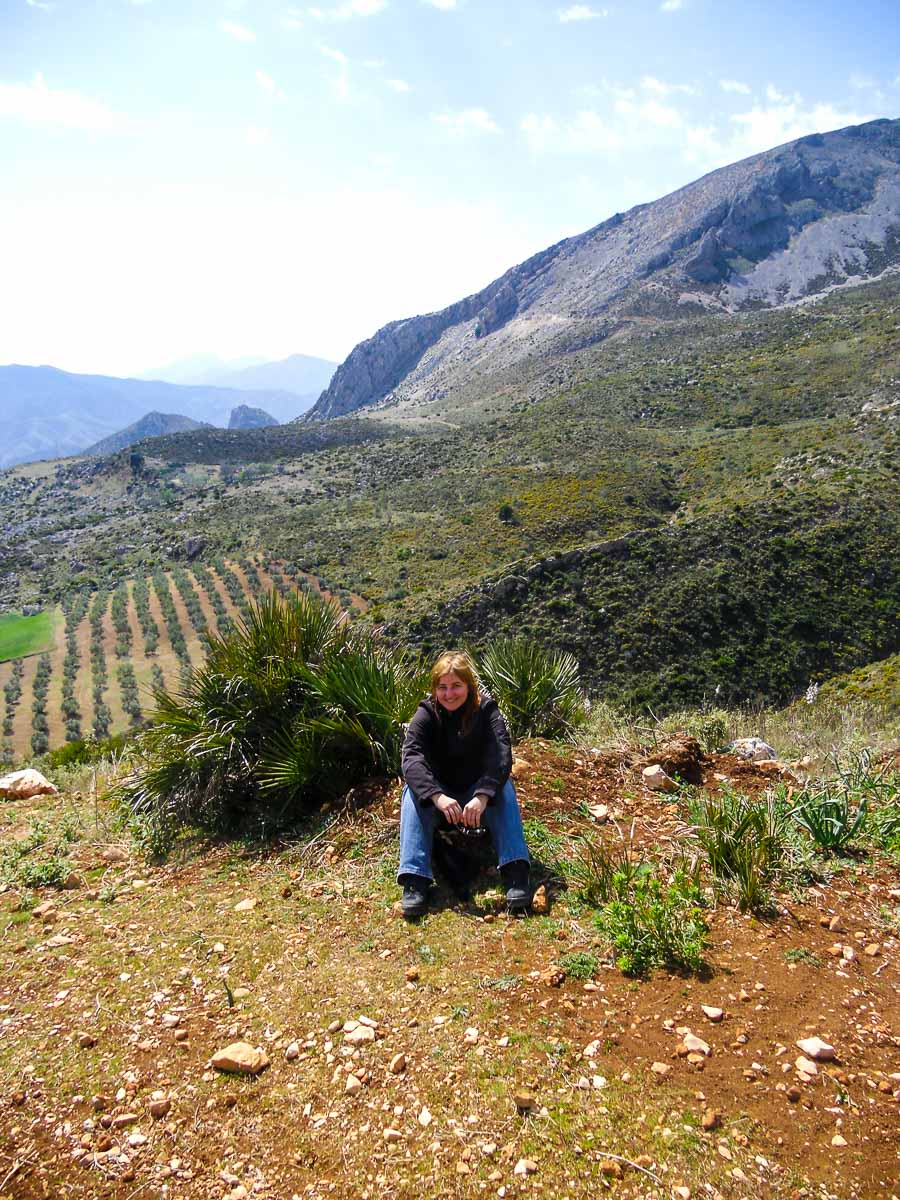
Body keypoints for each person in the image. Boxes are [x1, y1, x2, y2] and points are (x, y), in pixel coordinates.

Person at [398, 650, 531, 918]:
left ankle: (515, 870)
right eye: (442, 687)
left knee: (504, 789)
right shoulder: (426, 713)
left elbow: (501, 755)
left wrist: (482, 795)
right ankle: (415, 879)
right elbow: (411, 756)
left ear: (468, 685)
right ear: (435, 689)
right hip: (441, 799)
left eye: (456, 686)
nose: (449, 694)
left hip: (476, 796)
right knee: (412, 794)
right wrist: (436, 795)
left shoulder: (486, 710)